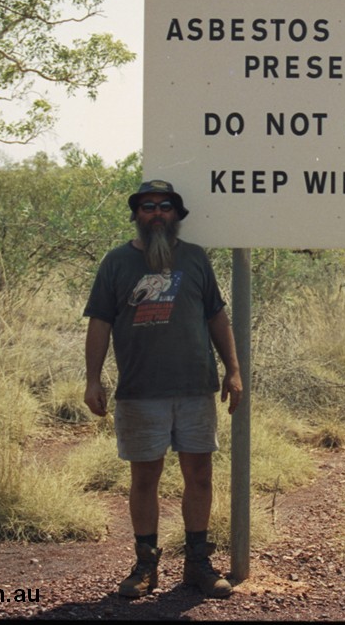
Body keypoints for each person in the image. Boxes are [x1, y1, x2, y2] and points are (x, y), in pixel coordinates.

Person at [83, 180, 243, 599]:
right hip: (140, 391)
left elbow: (217, 316)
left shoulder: (195, 258)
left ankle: (197, 565)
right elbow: (99, 321)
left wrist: (233, 370)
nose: (157, 213)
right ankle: (145, 566)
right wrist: (92, 378)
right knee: (144, 479)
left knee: (199, 476)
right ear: (137, 215)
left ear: (177, 215)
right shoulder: (117, 262)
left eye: (165, 206)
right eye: (148, 206)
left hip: (194, 387)